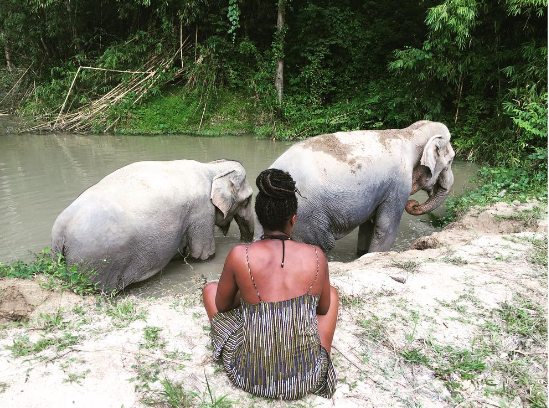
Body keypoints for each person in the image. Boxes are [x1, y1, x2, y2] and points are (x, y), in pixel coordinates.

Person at [202, 168, 338, 400]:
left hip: (248, 375)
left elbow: (222, 307)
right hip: (306, 378)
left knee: (210, 290)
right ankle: (321, 352)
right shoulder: (316, 255)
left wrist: (246, 294)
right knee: (332, 294)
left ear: (259, 217)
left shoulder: (239, 254)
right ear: (293, 219)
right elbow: (322, 310)